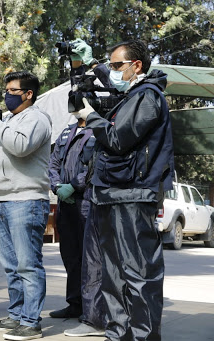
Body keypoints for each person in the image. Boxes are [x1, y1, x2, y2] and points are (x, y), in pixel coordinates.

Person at [73, 40, 174, 341]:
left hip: (133, 195)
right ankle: (118, 333)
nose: (113, 71)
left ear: (136, 66)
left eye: (117, 66)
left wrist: (90, 117)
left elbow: (118, 139)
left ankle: (143, 336)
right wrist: (93, 69)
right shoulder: (129, 96)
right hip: (111, 193)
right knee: (113, 274)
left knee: (139, 273)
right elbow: (113, 94)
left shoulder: (147, 97)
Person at [0, 71, 52, 341]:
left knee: (28, 265)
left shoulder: (37, 119)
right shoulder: (6, 121)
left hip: (27, 199)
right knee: (11, 265)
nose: (7, 95)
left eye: (13, 90)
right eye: (6, 89)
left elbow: (19, 146)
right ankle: (17, 315)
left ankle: (31, 323)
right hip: (3, 199)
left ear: (28, 94)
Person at [48, 78, 103, 336]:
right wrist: (58, 186)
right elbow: (54, 161)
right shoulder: (67, 130)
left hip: (86, 201)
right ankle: (74, 304)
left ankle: (92, 311)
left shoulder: (99, 128)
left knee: (90, 259)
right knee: (70, 255)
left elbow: (96, 164)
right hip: (65, 201)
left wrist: (75, 185)